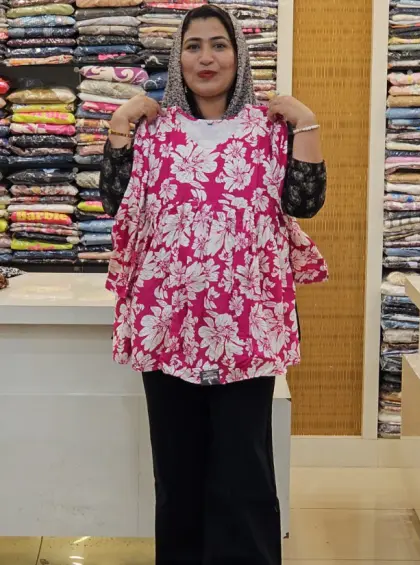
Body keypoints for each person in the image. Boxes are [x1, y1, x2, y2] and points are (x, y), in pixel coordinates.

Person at [100, 5, 327, 564]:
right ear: (178, 58)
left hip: (247, 327)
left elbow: (304, 202)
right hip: (167, 325)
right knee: (177, 473)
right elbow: (116, 203)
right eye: (194, 45)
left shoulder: (268, 130)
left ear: (238, 55)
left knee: (244, 472)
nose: (207, 58)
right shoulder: (155, 131)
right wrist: (121, 123)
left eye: (219, 45)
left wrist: (306, 122)